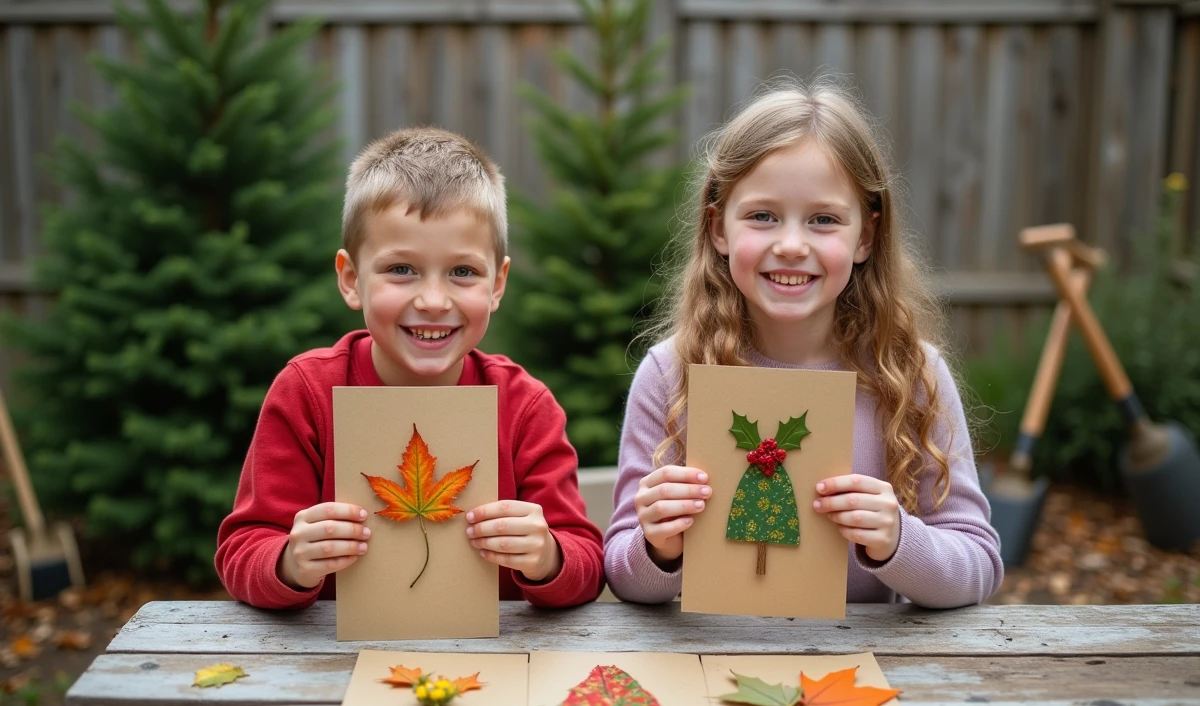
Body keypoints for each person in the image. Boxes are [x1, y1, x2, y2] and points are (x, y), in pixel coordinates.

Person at [604, 78, 1003, 608]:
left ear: (865, 237)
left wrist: (897, 540)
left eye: (823, 220)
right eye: (763, 216)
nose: (791, 245)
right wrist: (659, 546)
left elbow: (978, 567)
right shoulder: (671, 373)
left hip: (870, 668)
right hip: (705, 662)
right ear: (718, 228)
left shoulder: (913, 375)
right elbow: (625, 577)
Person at [216, 127, 604, 609]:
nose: (434, 301)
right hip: (333, 663)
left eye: (463, 272)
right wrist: (289, 562)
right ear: (351, 279)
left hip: (493, 662)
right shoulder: (307, 391)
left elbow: (587, 562)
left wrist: (548, 557)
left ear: (497, 285)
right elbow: (241, 551)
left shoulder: (525, 405)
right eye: (402, 269)